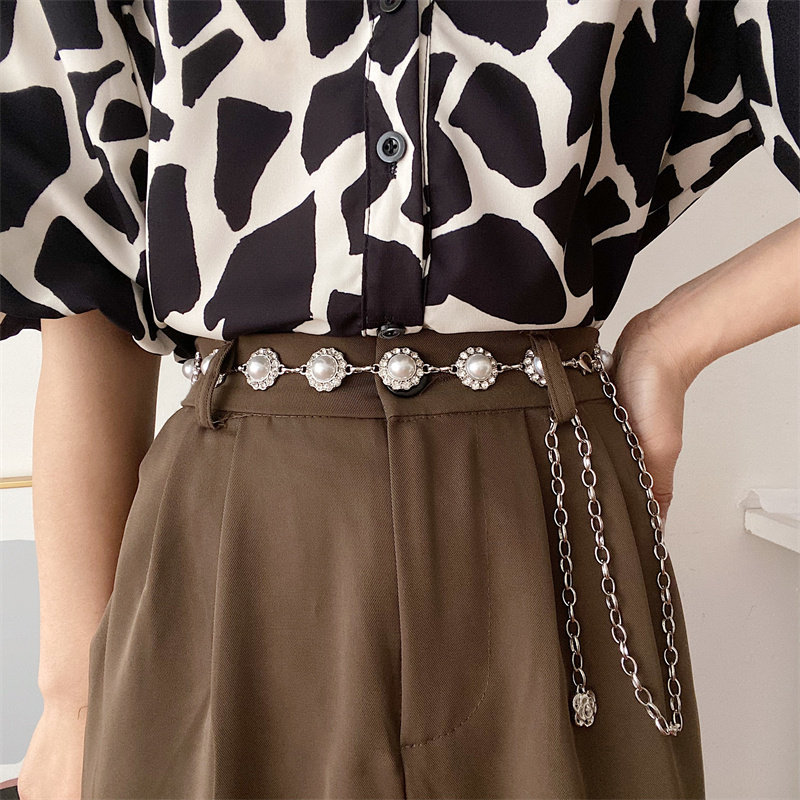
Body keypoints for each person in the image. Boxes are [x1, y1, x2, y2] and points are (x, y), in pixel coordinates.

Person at [1, 1, 797, 798]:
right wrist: (71, 702)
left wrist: (672, 341)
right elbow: (83, 256)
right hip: (233, 540)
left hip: (546, 515)